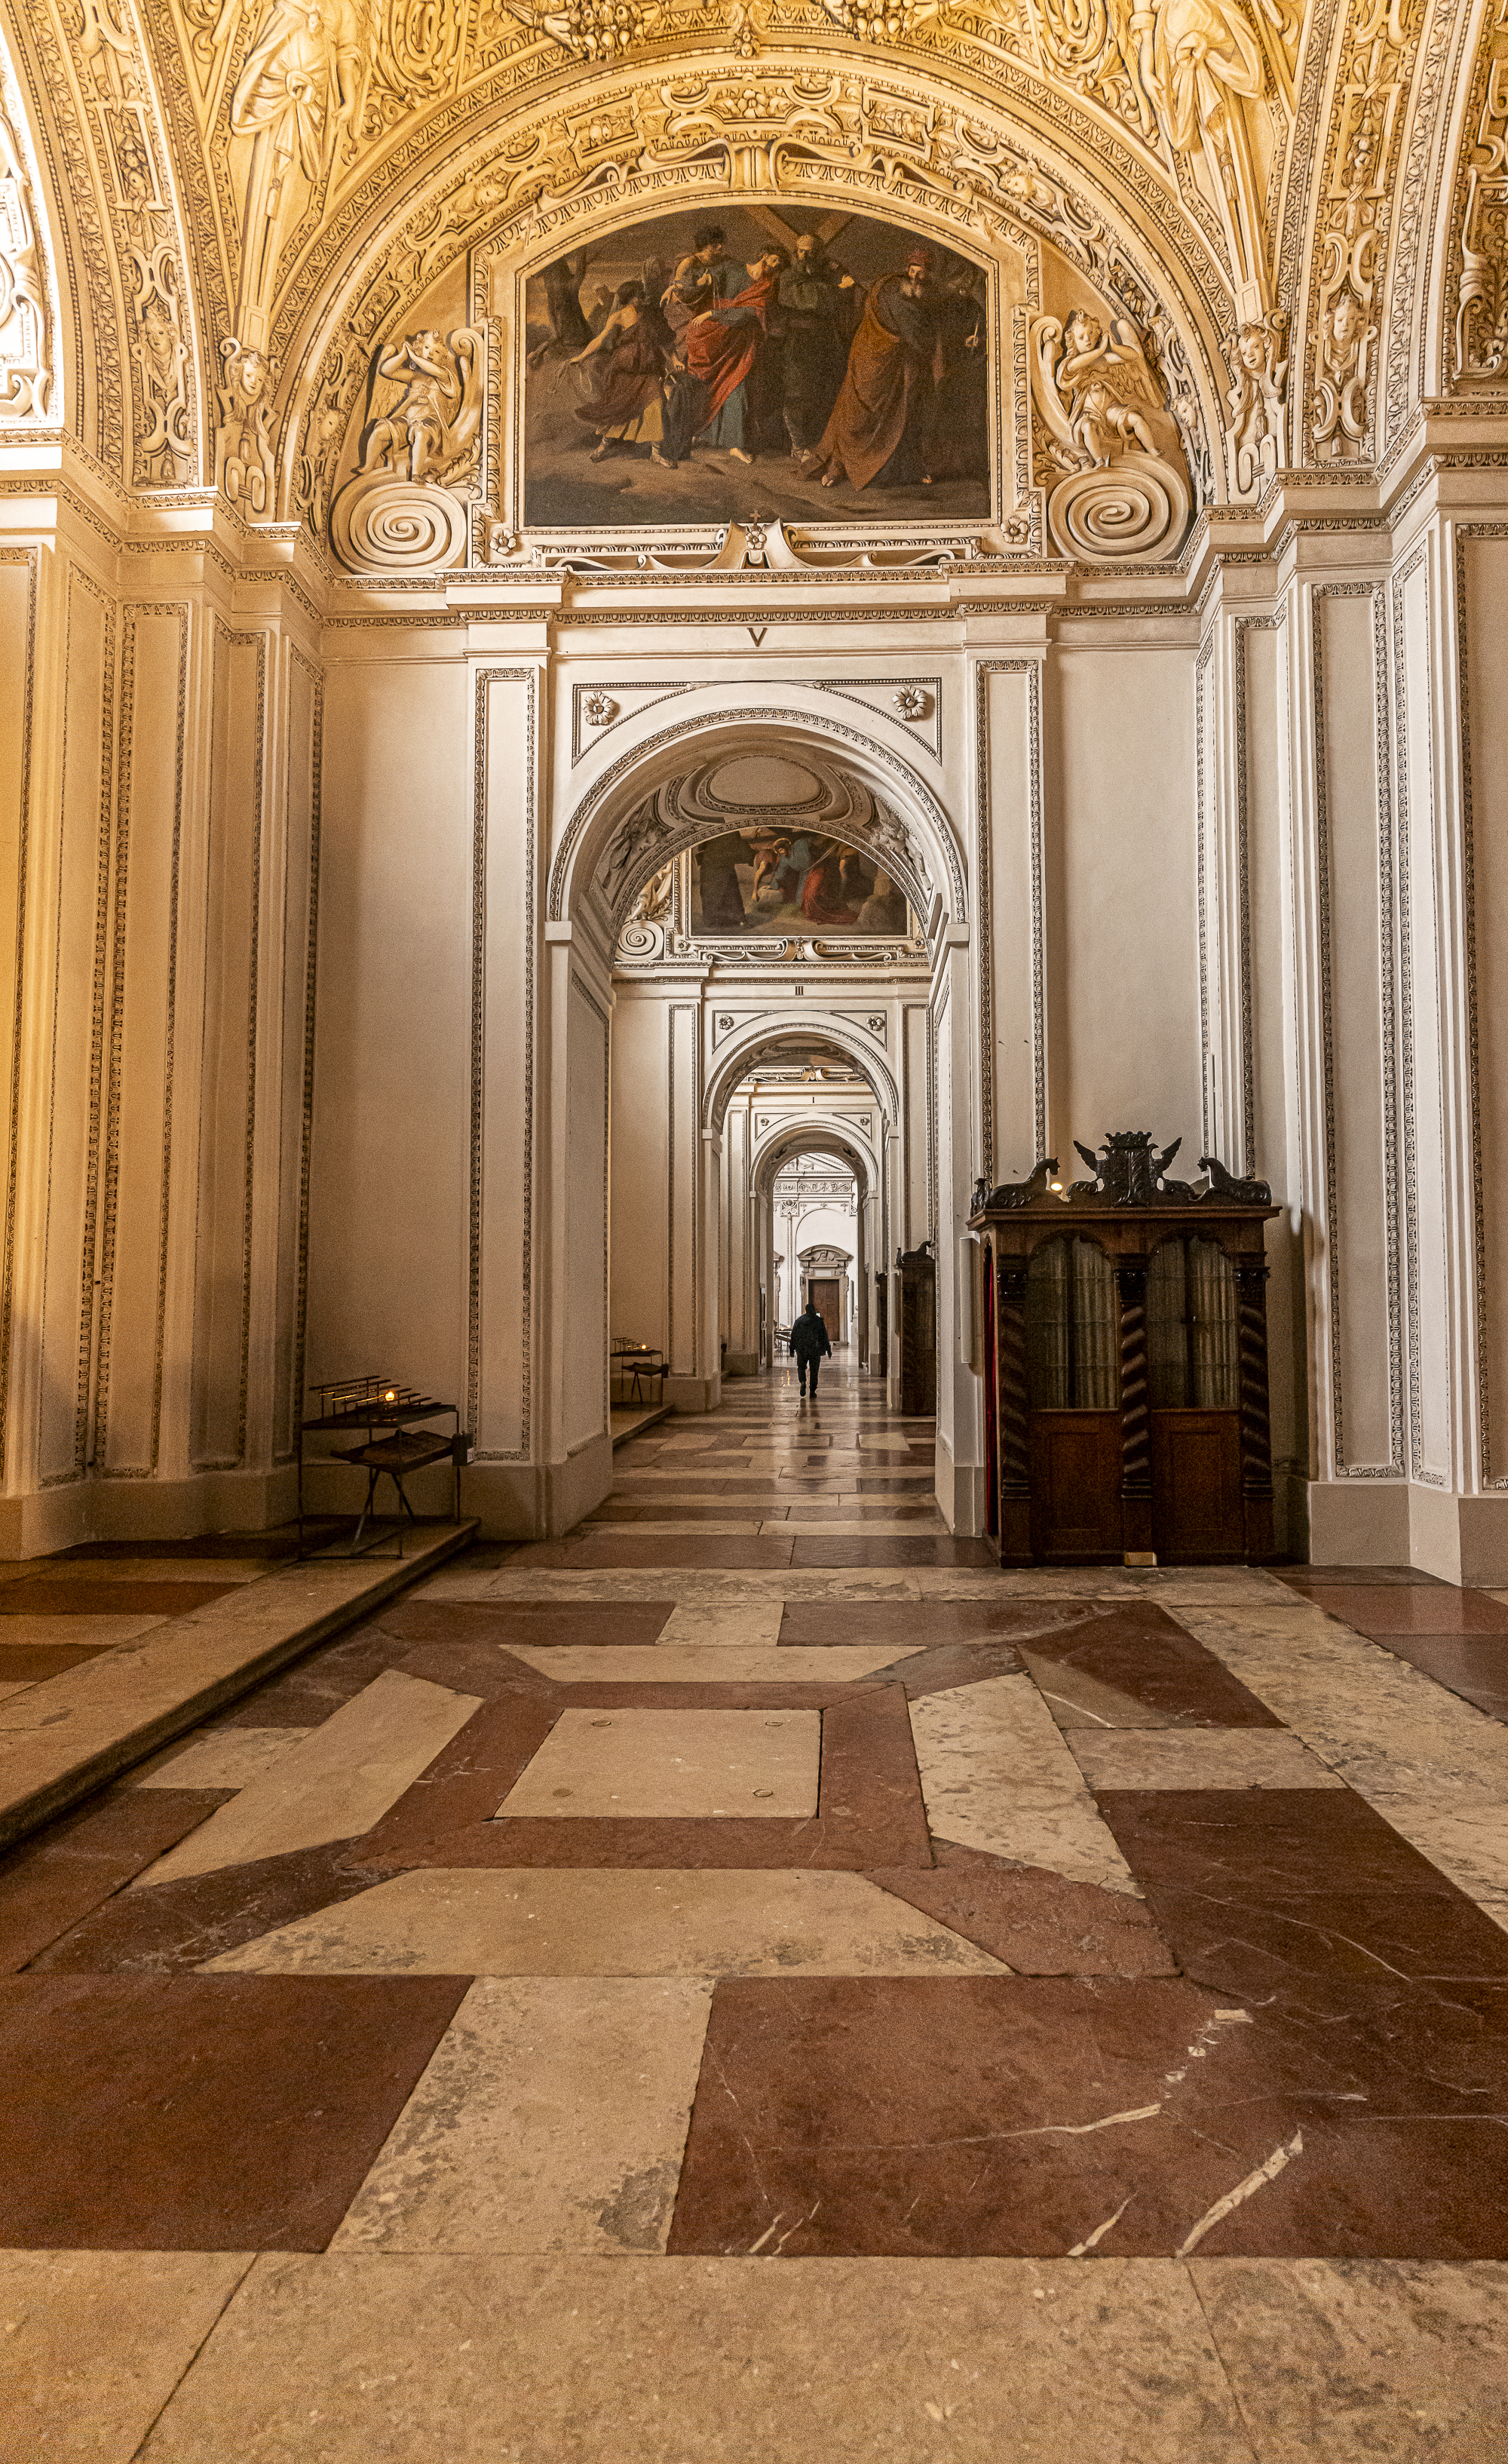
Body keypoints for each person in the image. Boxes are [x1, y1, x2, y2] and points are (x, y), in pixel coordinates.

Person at [805, 244, 945, 492]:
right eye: (913, 271)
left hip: (902, 365)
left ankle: (908, 469)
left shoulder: (928, 298)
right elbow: (871, 305)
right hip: (872, 356)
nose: (915, 277)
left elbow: (927, 332)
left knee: (903, 416)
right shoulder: (890, 291)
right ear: (906, 270)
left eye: (922, 273)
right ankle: (837, 466)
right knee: (855, 413)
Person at [774, 234, 860, 459]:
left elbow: (848, 289)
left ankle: (824, 444)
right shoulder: (788, 276)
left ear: (819, 253)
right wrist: (837, 290)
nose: (805, 255)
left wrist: (840, 285)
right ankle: (798, 446)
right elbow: (804, 298)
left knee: (826, 392)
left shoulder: (826, 273)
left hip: (825, 341)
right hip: (798, 343)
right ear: (796, 252)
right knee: (797, 393)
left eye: (811, 251)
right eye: (801, 250)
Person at [569, 281, 670, 462]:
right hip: (625, 370)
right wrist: (582, 356)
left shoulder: (648, 314)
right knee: (619, 408)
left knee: (657, 406)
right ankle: (603, 446)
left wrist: (674, 360)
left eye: (641, 295)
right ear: (628, 297)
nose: (641, 298)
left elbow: (660, 342)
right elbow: (600, 339)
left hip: (648, 371)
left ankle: (656, 454)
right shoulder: (618, 316)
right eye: (638, 295)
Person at [789, 1296, 832, 1397]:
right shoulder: (818, 1321)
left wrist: (792, 1349)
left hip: (802, 1349)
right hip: (814, 1349)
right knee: (814, 1370)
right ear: (813, 1310)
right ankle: (812, 1390)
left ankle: (803, 1382)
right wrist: (828, 1349)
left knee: (801, 1367)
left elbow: (794, 1336)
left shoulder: (799, 1321)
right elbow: (824, 1336)